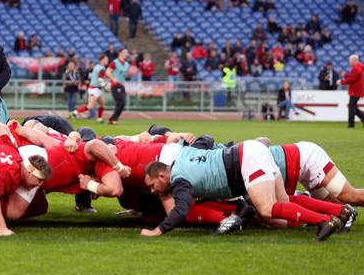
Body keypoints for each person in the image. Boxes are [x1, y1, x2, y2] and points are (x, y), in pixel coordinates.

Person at [140, 140, 344, 240]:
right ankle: (338, 211)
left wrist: (157, 231)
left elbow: (181, 210)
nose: (152, 191)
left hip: (245, 161)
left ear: (162, 175)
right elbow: (206, 139)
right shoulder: (183, 154)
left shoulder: (178, 180)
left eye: (152, 186)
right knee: (284, 206)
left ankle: (324, 221)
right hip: (249, 150)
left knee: (266, 209)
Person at [73, 54, 108, 122]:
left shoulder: (96, 66)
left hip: (96, 88)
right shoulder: (102, 69)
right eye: (106, 59)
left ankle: (99, 118)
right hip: (95, 89)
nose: (107, 61)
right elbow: (100, 80)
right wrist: (106, 87)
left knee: (102, 103)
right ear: (102, 60)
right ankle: (74, 113)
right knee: (90, 106)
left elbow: (91, 76)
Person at [338, 54, 364, 128]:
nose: (349, 62)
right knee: (353, 107)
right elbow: (352, 77)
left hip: (355, 91)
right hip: (358, 90)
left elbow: (352, 80)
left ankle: (351, 124)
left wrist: (341, 82)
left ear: (354, 60)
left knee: (351, 107)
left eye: (350, 61)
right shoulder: (360, 67)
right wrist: (345, 75)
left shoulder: (356, 68)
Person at [106, 48, 130, 125]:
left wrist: (128, 76)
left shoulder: (126, 64)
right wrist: (113, 78)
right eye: (125, 52)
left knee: (123, 103)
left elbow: (125, 75)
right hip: (115, 85)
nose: (127, 54)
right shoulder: (115, 62)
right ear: (120, 53)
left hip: (122, 85)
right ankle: (113, 119)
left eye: (127, 52)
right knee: (120, 102)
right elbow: (108, 72)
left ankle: (113, 119)